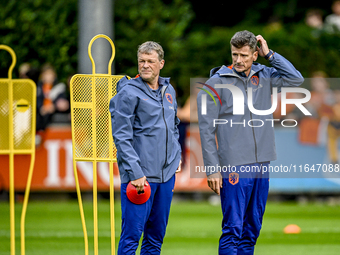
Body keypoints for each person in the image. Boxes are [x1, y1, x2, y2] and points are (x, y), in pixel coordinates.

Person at [197, 30, 304, 255]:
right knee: (233, 229)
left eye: (244, 55)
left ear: (255, 55)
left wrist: (270, 54)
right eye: (235, 54)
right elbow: (206, 130)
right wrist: (212, 169)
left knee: (252, 229)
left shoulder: (264, 75)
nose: (238, 60)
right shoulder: (215, 83)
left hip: (262, 163)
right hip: (234, 164)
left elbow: (296, 79)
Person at [109, 41, 182, 255]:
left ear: (161, 63)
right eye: (142, 61)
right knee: (131, 237)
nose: (145, 65)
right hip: (140, 178)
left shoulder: (169, 91)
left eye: (150, 61)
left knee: (155, 239)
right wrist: (135, 173)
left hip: (166, 176)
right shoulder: (128, 92)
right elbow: (121, 136)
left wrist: (176, 155)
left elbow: (174, 125)